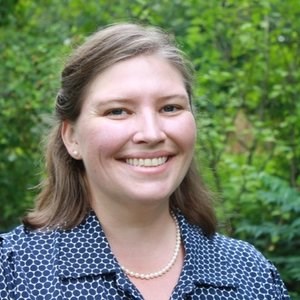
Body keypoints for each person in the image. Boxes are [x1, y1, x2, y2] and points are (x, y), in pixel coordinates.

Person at [0, 23, 290, 300]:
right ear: (72, 137)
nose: (151, 133)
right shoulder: (13, 275)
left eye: (170, 107)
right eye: (118, 111)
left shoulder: (250, 274)